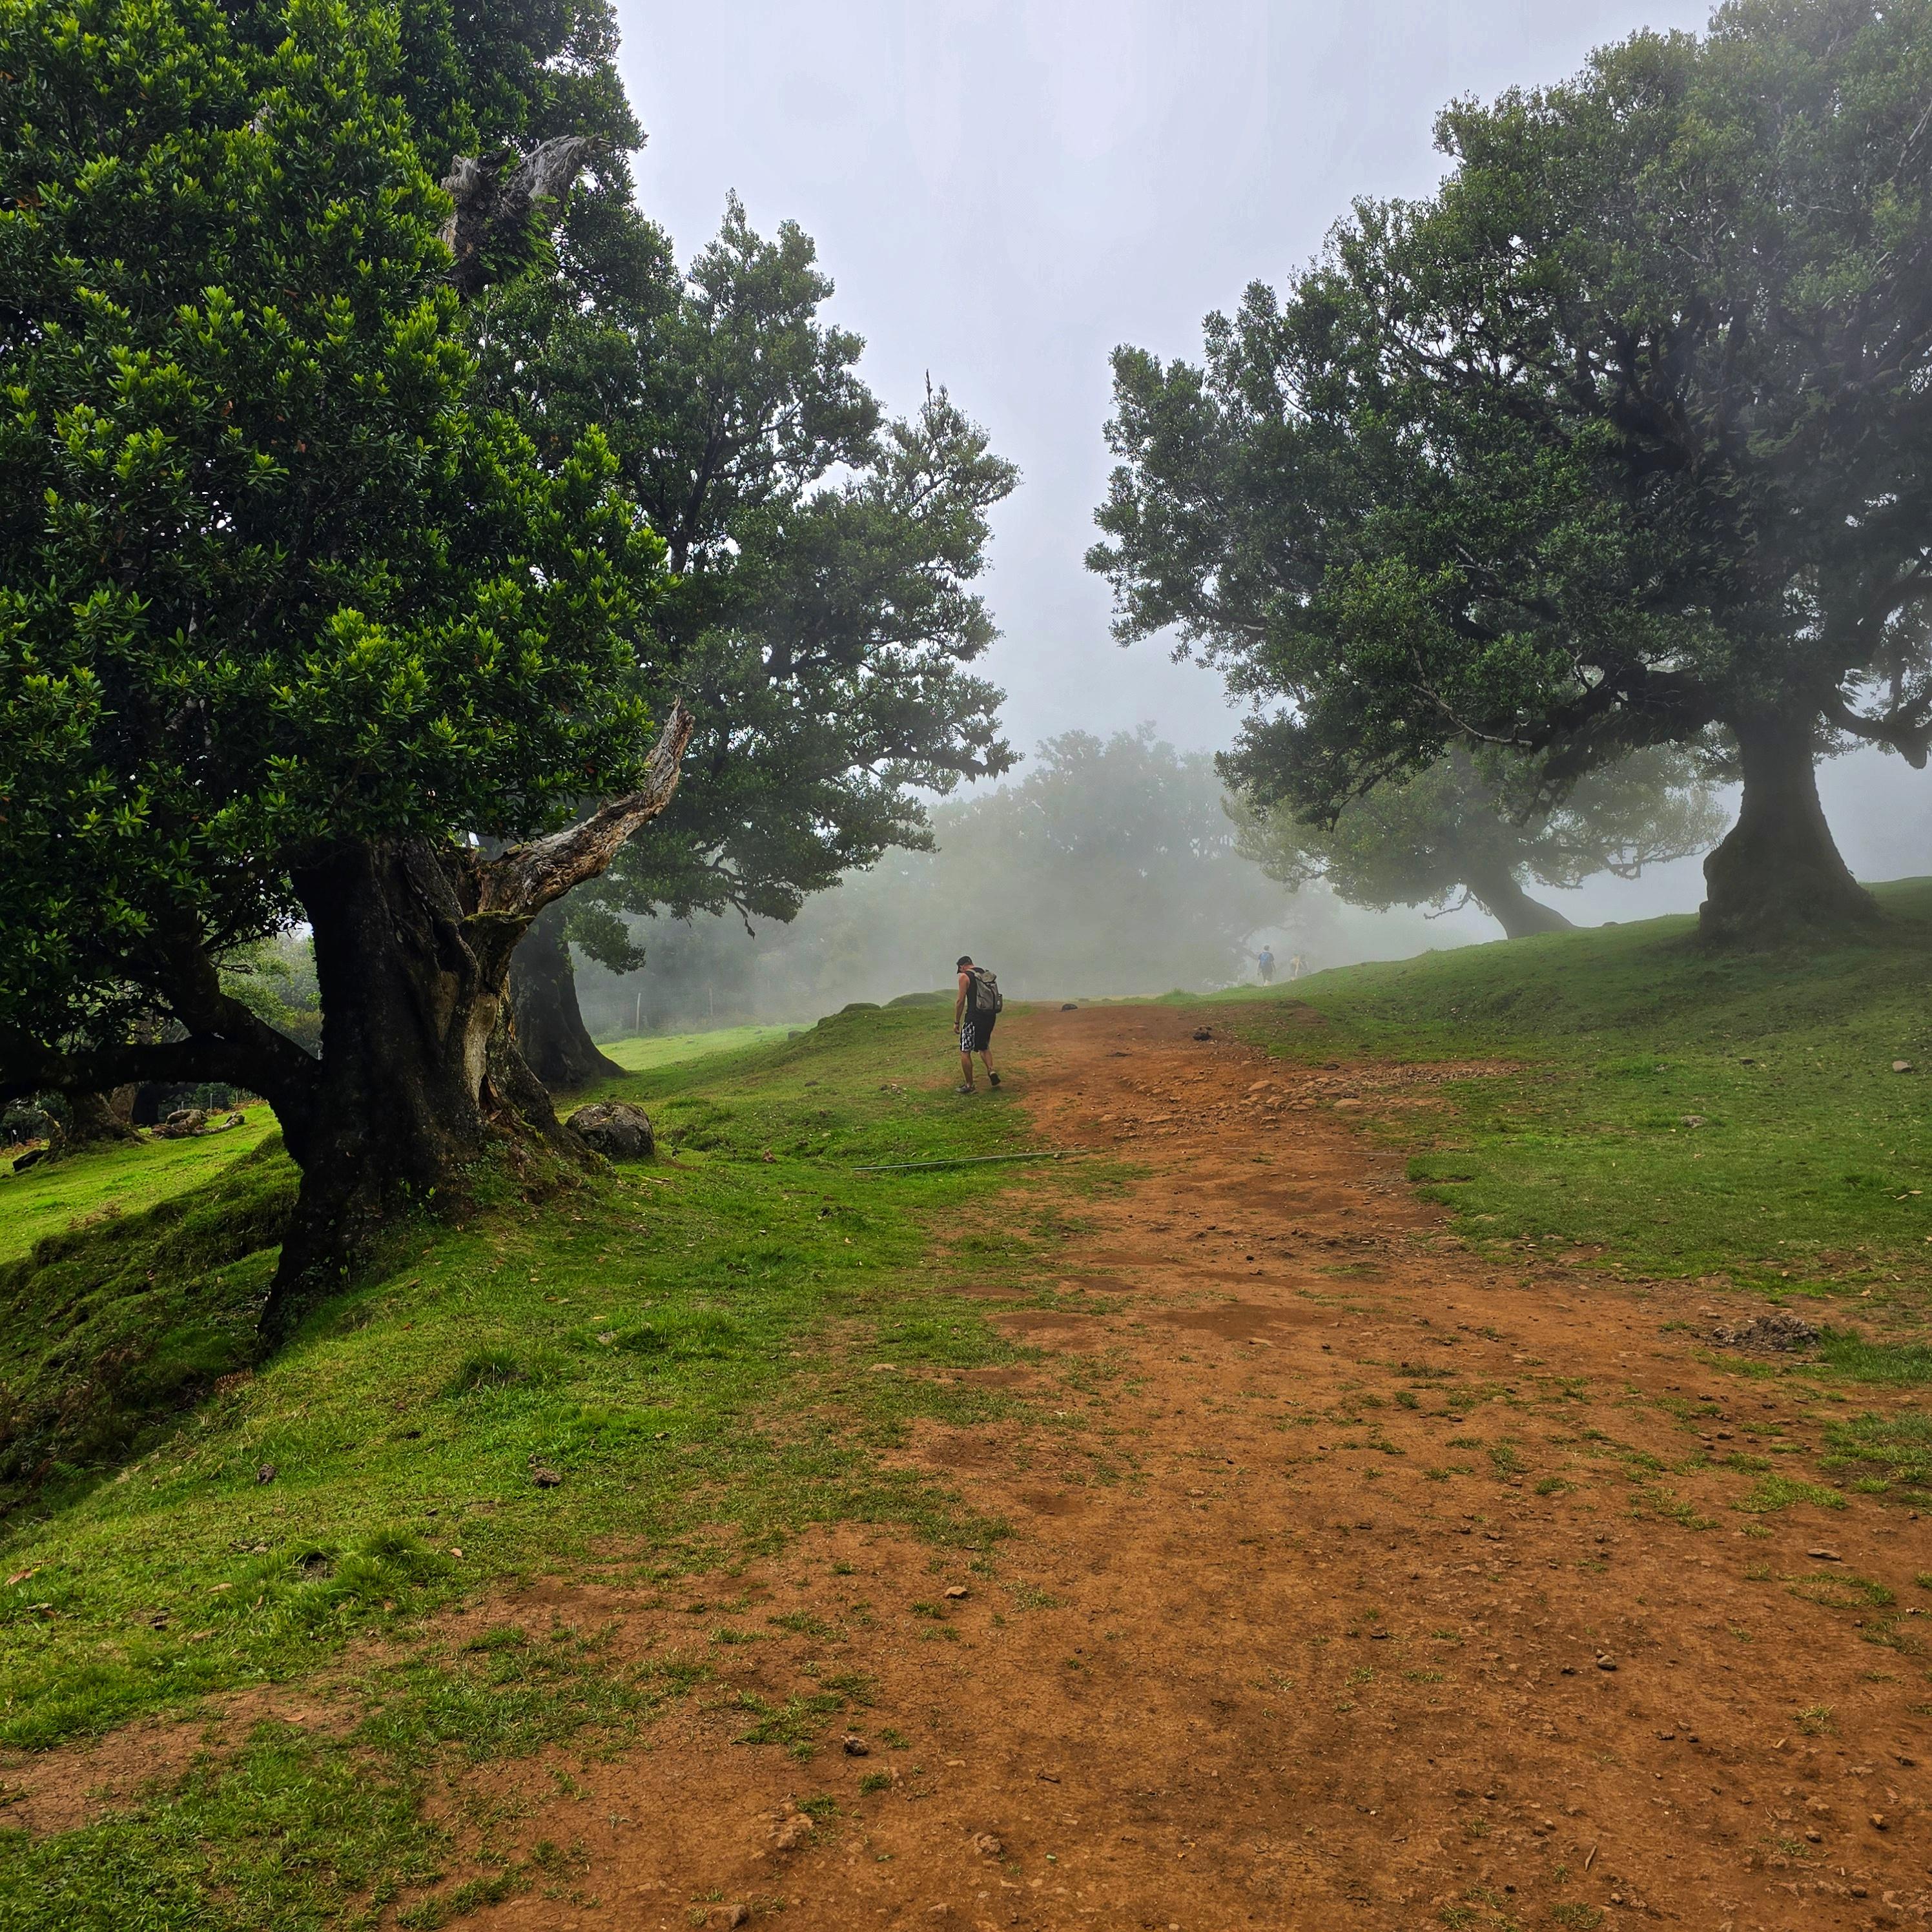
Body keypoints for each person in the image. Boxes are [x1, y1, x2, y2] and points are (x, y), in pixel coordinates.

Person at [954, 954, 1002, 1093]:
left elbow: (960, 1001)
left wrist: (956, 1021)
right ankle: (991, 1070)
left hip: (974, 1018)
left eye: (960, 969)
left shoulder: (965, 977)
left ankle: (969, 1085)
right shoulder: (985, 973)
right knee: (984, 1046)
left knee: (965, 1050)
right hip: (990, 1016)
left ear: (962, 966)